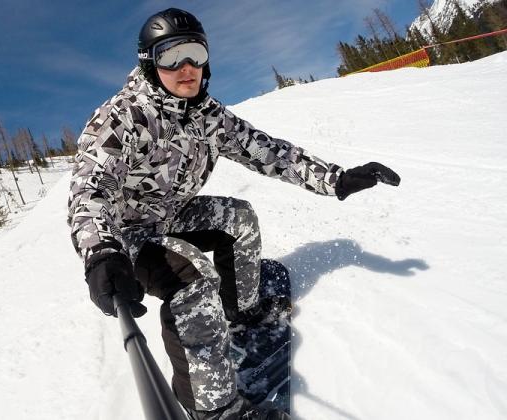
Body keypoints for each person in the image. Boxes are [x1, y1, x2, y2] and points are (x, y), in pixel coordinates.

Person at [67, 8, 400, 420]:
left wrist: (336, 180)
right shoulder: (123, 118)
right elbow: (88, 188)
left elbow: (269, 152)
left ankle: (235, 312)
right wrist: (101, 252)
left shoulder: (208, 116)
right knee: (193, 280)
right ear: (150, 64)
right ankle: (216, 412)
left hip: (171, 213)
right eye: (170, 56)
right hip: (128, 236)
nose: (185, 67)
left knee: (238, 219)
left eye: (194, 53)